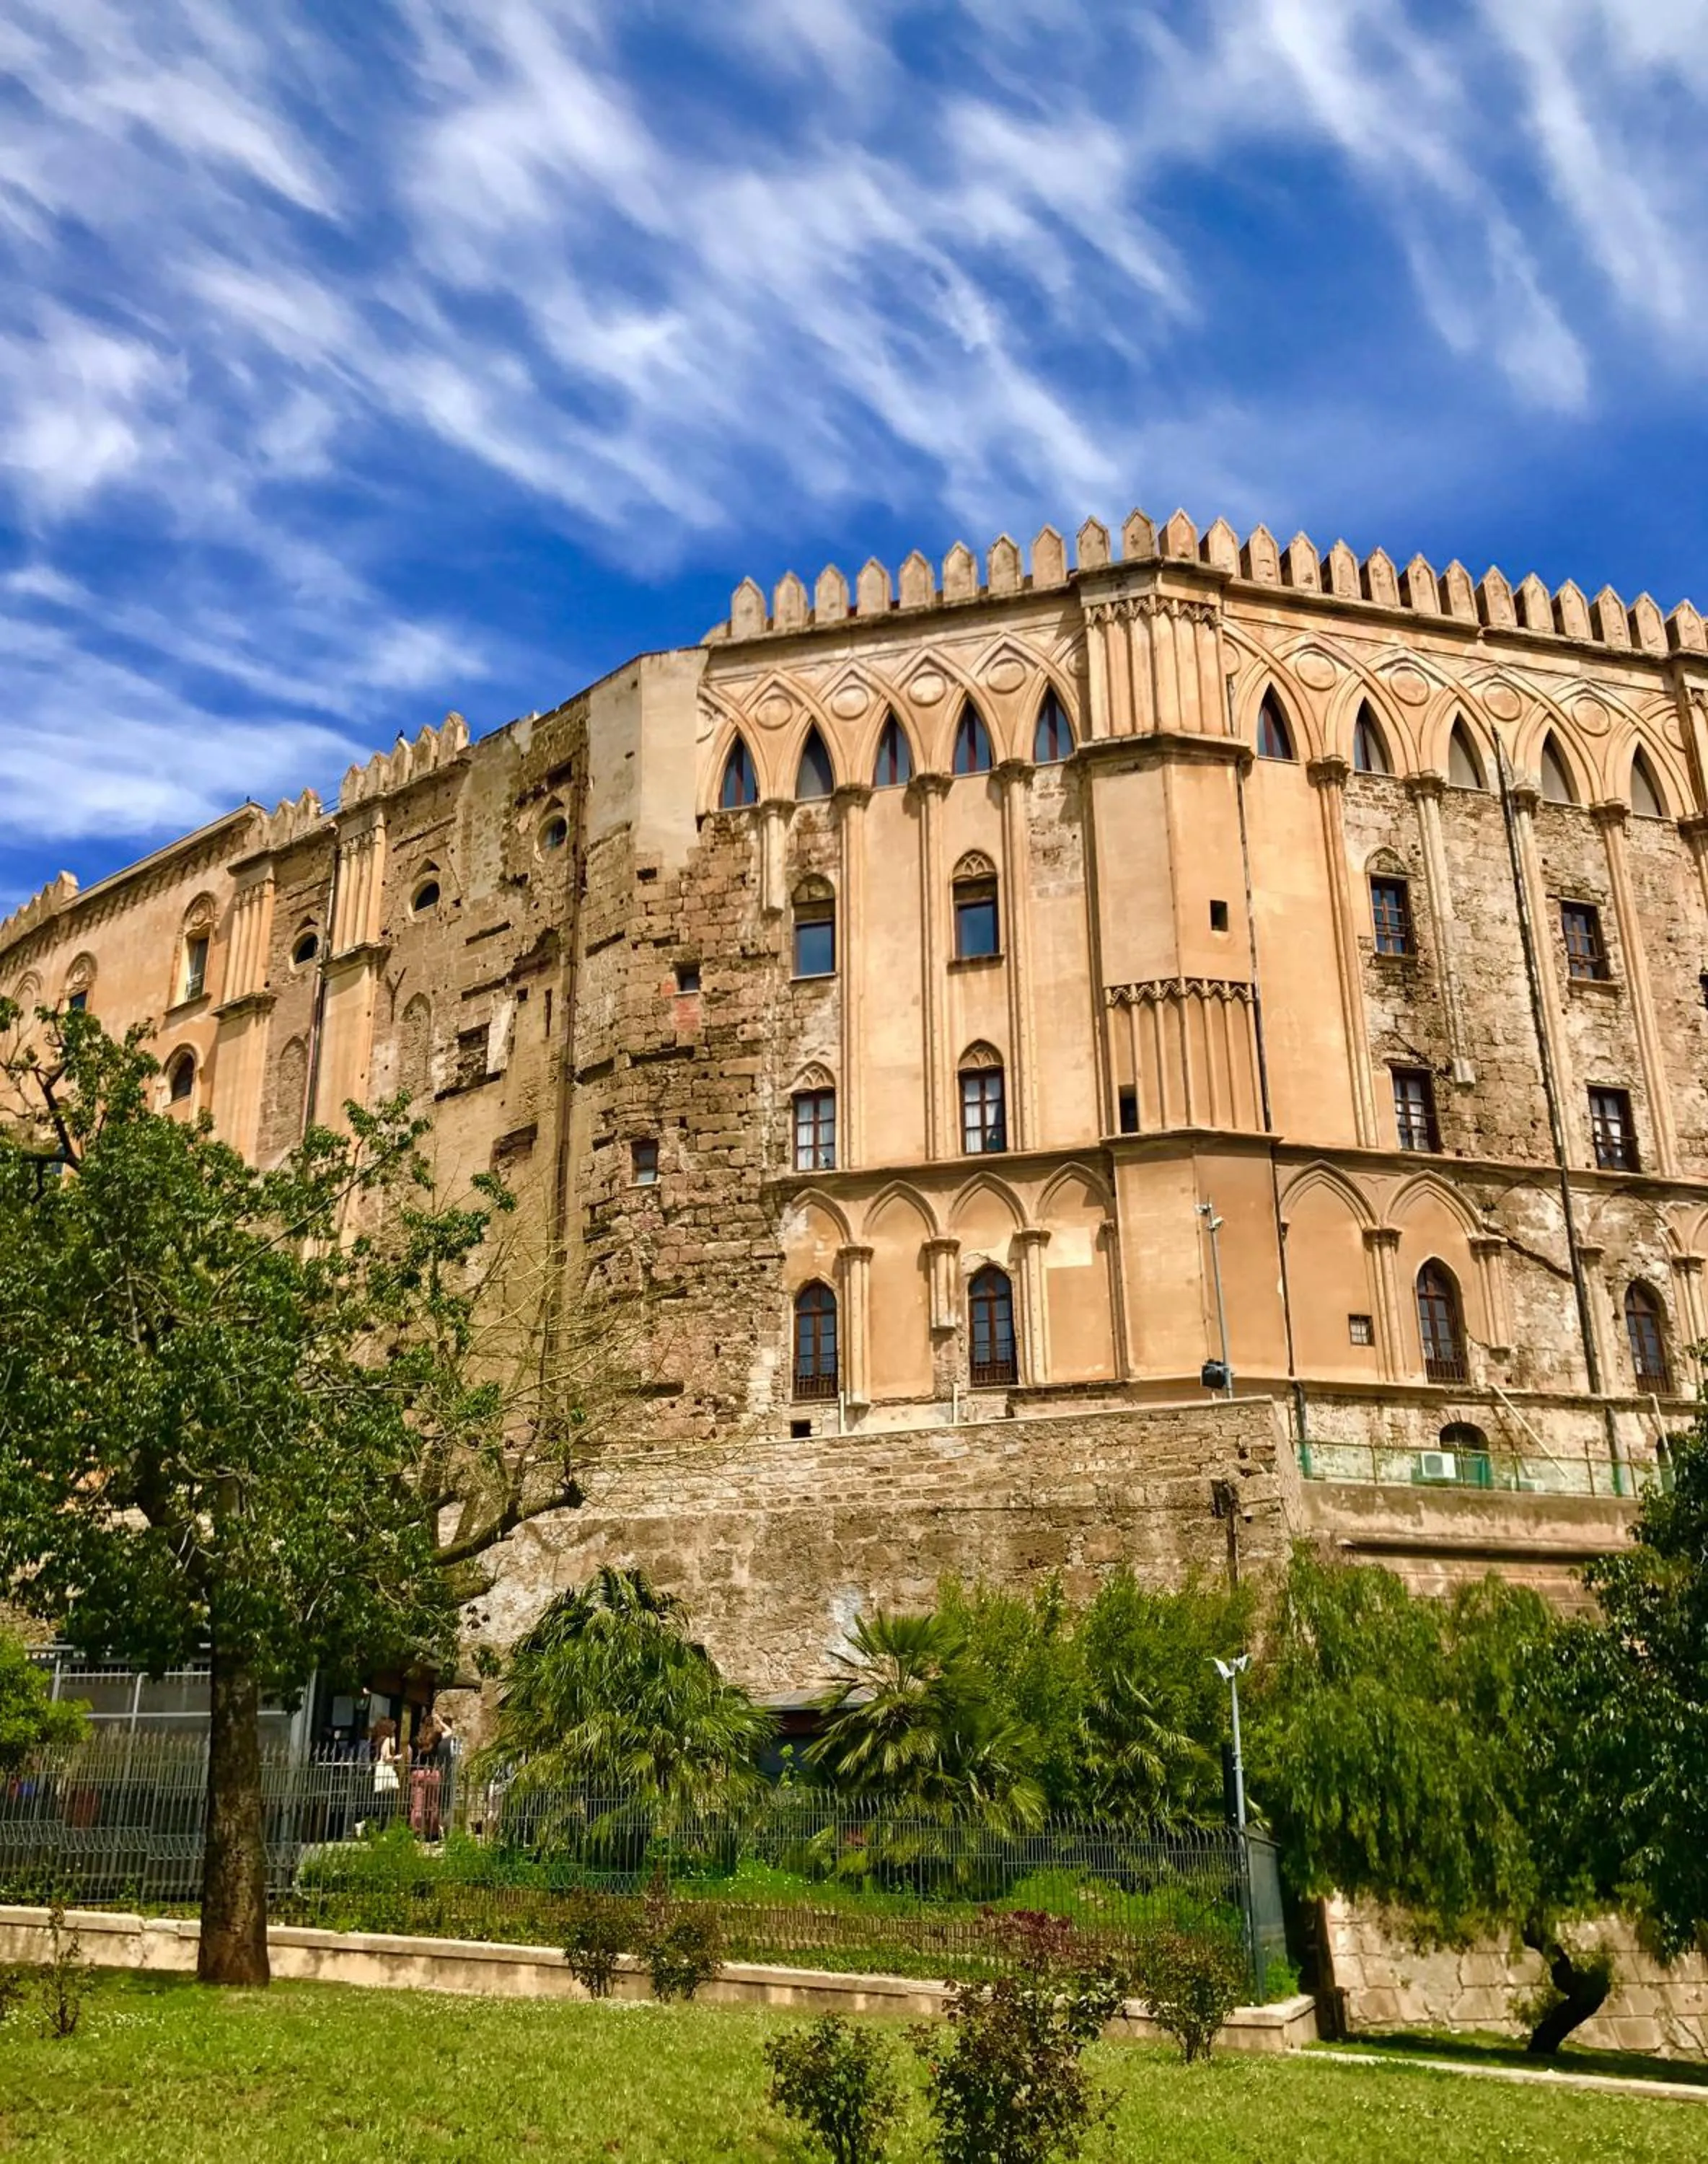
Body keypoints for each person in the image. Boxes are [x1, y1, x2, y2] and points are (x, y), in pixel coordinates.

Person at [409, 1709, 446, 1841]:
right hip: (433, 1772)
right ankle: (433, 1833)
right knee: (433, 1805)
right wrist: (440, 1722)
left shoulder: (416, 1739)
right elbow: (448, 1732)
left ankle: (417, 1831)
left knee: (418, 1805)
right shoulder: (436, 1738)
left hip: (418, 1772)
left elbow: (411, 1753)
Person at [370, 1717, 400, 1826]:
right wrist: (396, 1758)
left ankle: (374, 1823)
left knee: (379, 1800)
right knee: (387, 1801)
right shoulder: (386, 1739)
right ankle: (384, 1825)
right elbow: (386, 1756)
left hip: (378, 1769)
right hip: (385, 1770)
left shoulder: (378, 1739)